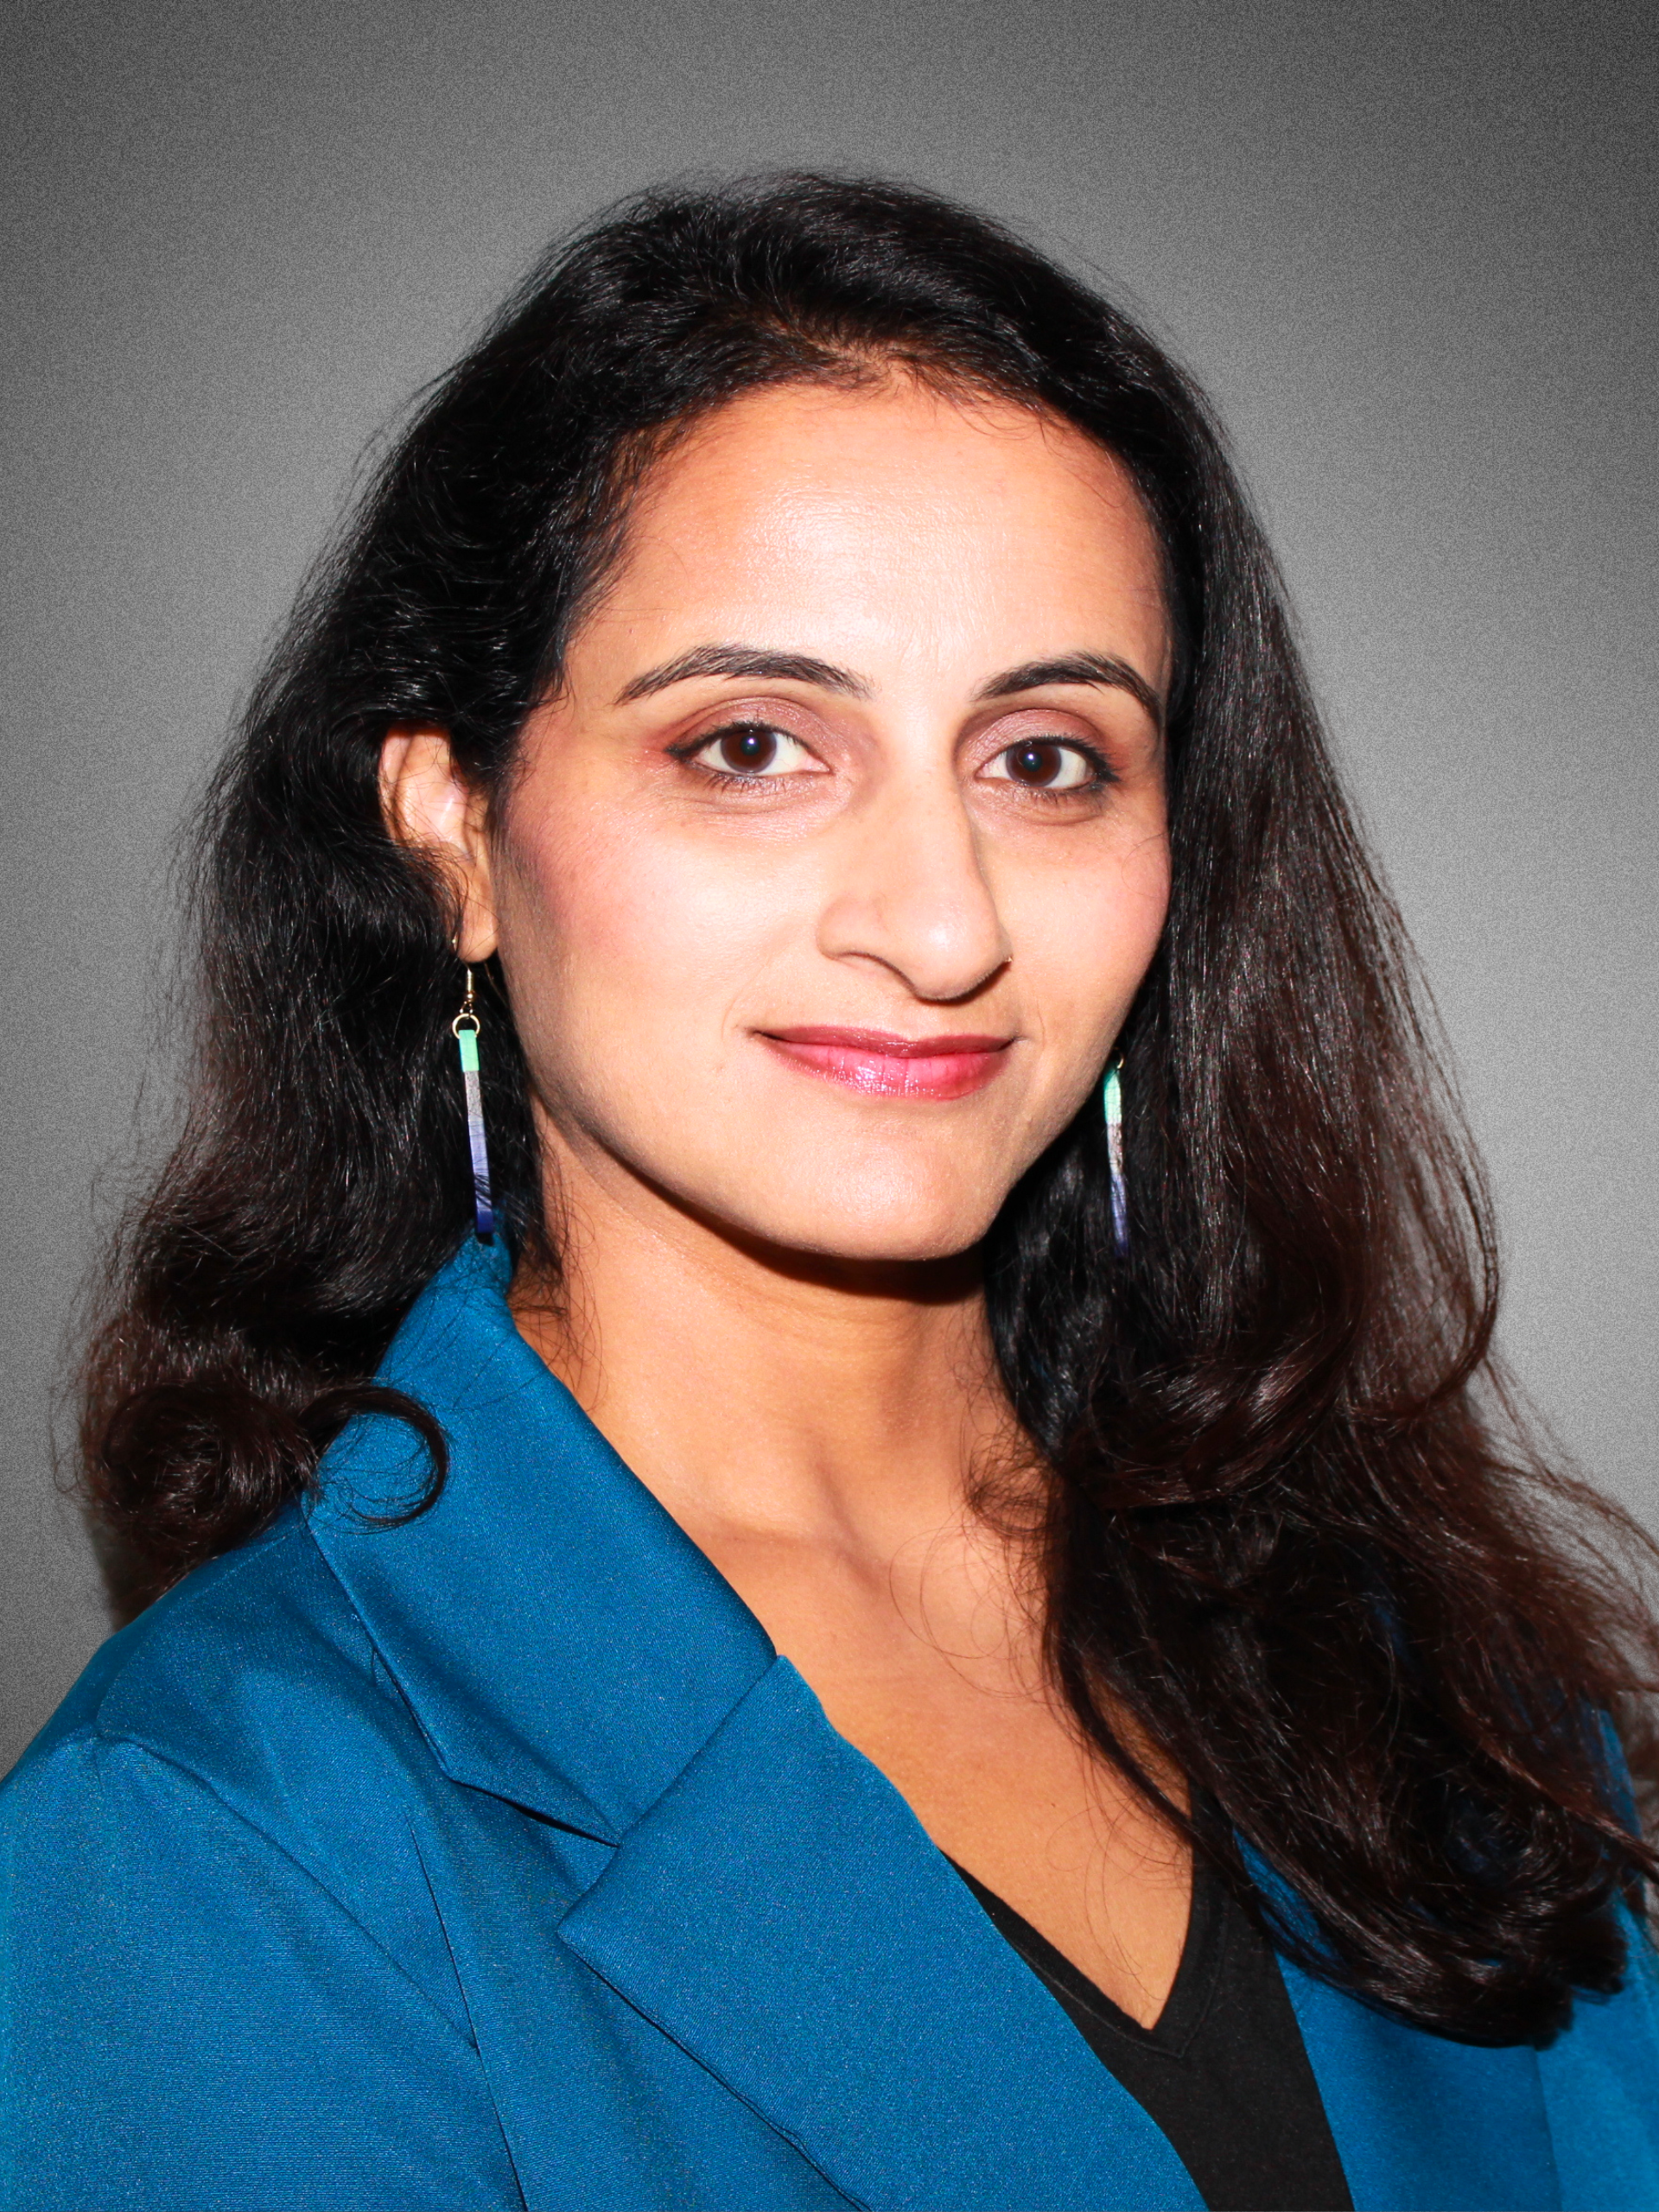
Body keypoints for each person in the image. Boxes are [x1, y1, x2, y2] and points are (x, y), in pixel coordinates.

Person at [2, 175, 1655, 2212]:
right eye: (756, 741)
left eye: (1046, 758)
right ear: (452, 824)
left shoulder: (1423, 1666)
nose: (941, 920)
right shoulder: (217, 1836)